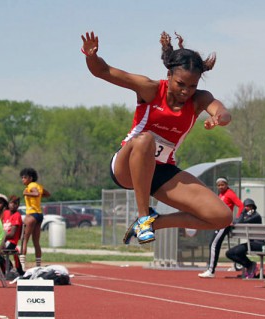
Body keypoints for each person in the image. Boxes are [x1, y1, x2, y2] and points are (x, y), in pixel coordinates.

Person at [81, 31, 233, 245]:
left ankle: (154, 222)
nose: (186, 91)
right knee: (145, 141)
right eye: (181, 84)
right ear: (169, 75)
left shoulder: (200, 99)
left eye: (192, 86)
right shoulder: (150, 89)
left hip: (161, 170)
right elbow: (103, 71)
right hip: (127, 164)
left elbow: (223, 111)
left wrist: (218, 118)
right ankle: (143, 217)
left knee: (221, 216)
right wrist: (91, 56)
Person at [198, 177, 243, 278]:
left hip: (224, 223)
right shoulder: (221, 194)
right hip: (219, 223)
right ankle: (211, 269)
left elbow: (241, 205)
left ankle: (211, 270)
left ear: (226, 185)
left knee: (213, 245)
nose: (220, 187)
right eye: (219, 185)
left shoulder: (230, 193)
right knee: (214, 245)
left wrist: (236, 220)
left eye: (222, 185)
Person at [20, 168, 50, 270]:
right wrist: (39, 196)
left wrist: (26, 193)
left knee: (24, 240)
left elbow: (36, 193)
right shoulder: (39, 186)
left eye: (25, 177)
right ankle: (38, 265)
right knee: (36, 241)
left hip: (31, 214)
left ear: (31, 178)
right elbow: (47, 194)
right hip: (39, 215)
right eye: (22, 177)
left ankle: (22, 266)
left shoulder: (31, 186)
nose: (23, 179)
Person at [225, 198, 263, 279]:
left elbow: (239, 222)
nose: (247, 208)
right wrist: (243, 214)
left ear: (253, 207)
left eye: (249, 206)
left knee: (238, 252)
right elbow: (237, 221)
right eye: (245, 206)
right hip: (250, 243)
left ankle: (250, 266)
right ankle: (250, 265)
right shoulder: (247, 215)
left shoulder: (256, 216)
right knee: (229, 253)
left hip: (257, 244)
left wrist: (242, 212)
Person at [1, 195, 24, 275]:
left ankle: (9, 269)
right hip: (3, 240)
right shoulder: (6, 213)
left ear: (18, 205)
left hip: (11, 242)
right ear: (8, 204)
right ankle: (8, 268)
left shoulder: (17, 215)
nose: (13, 205)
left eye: (16, 204)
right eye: (11, 203)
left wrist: (0, 236)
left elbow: (12, 234)